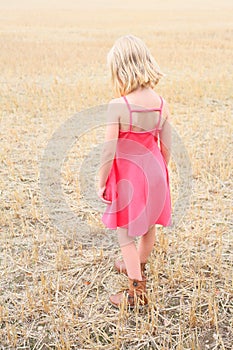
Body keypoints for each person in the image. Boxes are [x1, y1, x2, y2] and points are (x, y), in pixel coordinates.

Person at [98, 35, 172, 309]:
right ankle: (138, 263)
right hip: (155, 173)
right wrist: (160, 174)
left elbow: (108, 151)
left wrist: (101, 181)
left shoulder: (119, 105)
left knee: (125, 233)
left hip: (131, 177)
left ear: (120, 69)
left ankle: (135, 291)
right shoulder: (161, 102)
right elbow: (166, 148)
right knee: (148, 225)